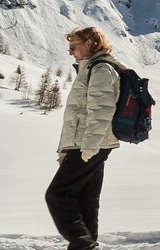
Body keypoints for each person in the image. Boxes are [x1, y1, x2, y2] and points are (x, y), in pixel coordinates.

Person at [46, 26, 122, 250]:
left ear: (89, 43)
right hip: (89, 144)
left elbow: (101, 111)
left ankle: (84, 245)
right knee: (86, 201)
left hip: (89, 145)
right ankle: (87, 245)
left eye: (74, 46)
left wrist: (88, 148)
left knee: (58, 194)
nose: (70, 51)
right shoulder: (90, 68)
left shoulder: (100, 70)